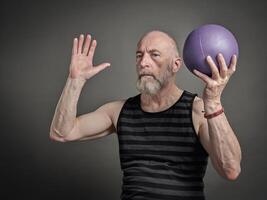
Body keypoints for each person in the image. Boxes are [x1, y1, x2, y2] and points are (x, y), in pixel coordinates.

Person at [49, 30, 242, 200]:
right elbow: (62, 132)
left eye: (154, 55)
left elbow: (231, 169)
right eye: (139, 55)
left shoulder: (198, 110)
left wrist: (213, 103)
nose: (143, 62)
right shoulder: (118, 111)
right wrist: (75, 81)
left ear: (175, 65)